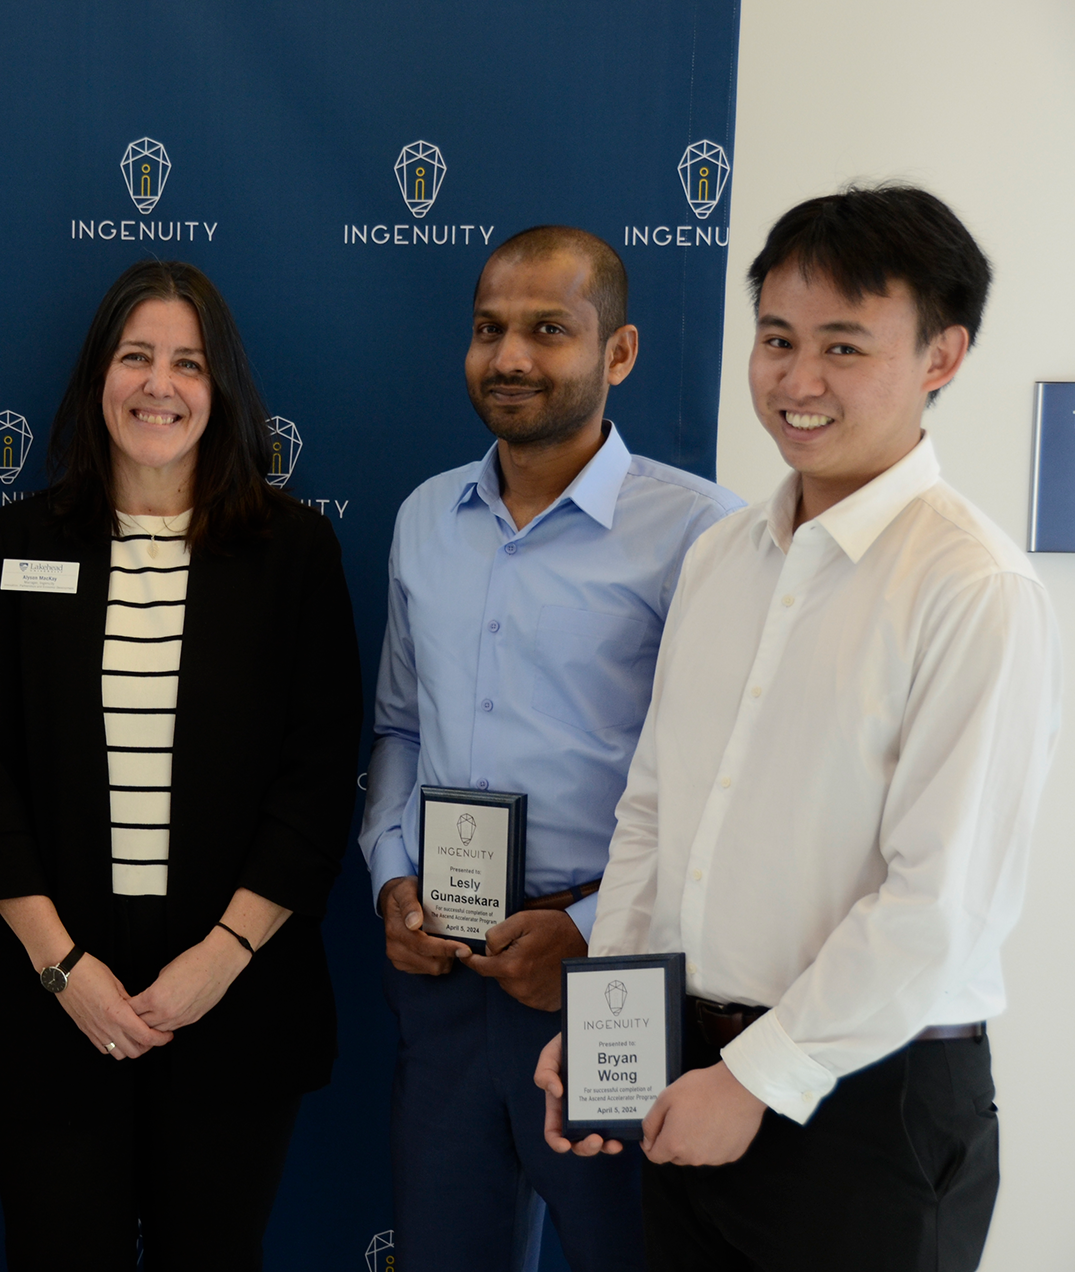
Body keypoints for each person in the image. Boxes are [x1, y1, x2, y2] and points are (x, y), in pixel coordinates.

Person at [536, 185, 1061, 1272]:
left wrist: (756, 1081)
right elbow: (653, 812)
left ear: (942, 357)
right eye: (776, 339)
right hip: (697, 1077)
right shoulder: (722, 558)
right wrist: (612, 1039)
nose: (797, 380)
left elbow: (937, 906)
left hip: (869, 1103)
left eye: (842, 346)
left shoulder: (974, 586)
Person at [0, 259, 362, 1270]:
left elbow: (317, 781)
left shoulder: (293, 551)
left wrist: (217, 962)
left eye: (188, 363)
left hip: (234, 1010)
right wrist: (65, 969)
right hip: (53, 1011)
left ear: (221, 391)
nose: (158, 386)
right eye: (135, 357)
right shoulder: (20, 541)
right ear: (98, 378)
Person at [359, 226, 740, 1271]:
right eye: (490, 330)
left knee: (629, 1252)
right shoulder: (428, 517)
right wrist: (392, 880)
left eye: (548, 330)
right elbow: (398, 725)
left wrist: (584, 926)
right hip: (443, 966)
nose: (511, 357)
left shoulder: (704, 533)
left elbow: (724, 785)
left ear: (617, 354)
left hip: (612, 974)